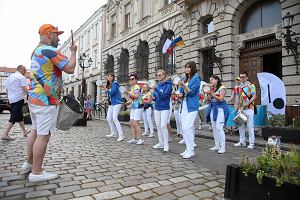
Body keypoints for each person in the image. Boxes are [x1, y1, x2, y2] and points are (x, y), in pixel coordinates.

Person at [22, 24, 77, 182]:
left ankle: (29, 163)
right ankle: (37, 172)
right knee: (43, 135)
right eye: (57, 35)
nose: (59, 38)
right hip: (46, 99)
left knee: (36, 131)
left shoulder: (35, 51)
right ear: (49, 35)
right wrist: (73, 52)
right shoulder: (50, 50)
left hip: (34, 97)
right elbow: (70, 68)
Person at [178, 61, 200, 159]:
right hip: (184, 105)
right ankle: (188, 148)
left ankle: (191, 150)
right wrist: (179, 94)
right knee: (184, 128)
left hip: (192, 106)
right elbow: (182, 93)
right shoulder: (184, 78)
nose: (187, 69)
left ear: (192, 68)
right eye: (186, 67)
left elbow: (192, 92)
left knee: (187, 127)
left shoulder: (196, 78)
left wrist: (183, 85)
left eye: (189, 67)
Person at [1, 65, 30, 141]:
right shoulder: (21, 77)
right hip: (18, 99)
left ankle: (25, 132)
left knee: (19, 116)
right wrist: (31, 95)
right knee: (14, 117)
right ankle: (5, 134)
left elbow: (7, 90)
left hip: (11, 99)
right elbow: (25, 89)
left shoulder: (10, 77)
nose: (25, 72)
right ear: (20, 70)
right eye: (24, 70)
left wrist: (8, 99)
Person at [206, 75, 229, 154]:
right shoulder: (212, 89)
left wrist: (212, 94)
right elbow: (209, 100)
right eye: (210, 80)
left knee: (220, 128)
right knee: (215, 129)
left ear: (217, 80)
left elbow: (221, 99)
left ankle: (223, 147)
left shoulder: (222, 88)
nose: (211, 81)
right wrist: (208, 95)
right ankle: (217, 145)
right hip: (213, 109)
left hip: (220, 109)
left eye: (212, 80)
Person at [234, 71, 257, 149]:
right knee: (241, 125)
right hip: (241, 109)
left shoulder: (251, 85)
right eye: (241, 77)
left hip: (249, 108)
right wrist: (236, 105)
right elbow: (238, 97)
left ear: (247, 77)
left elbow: (254, 96)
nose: (242, 78)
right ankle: (242, 141)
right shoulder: (239, 87)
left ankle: (252, 143)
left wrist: (248, 103)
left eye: (243, 77)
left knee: (250, 126)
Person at [152, 70, 172, 152]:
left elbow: (164, 96)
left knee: (163, 125)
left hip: (165, 108)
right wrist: (151, 97)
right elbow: (155, 96)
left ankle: (166, 144)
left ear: (164, 75)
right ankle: (161, 142)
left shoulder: (168, 85)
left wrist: (156, 89)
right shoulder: (158, 85)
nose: (158, 76)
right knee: (158, 125)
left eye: (160, 75)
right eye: (157, 75)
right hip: (157, 107)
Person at [100, 73, 124, 141]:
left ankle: (121, 135)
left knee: (114, 118)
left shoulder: (115, 84)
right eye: (108, 76)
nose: (109, 77)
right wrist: (105, 99)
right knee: (108, 118)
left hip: (117, 102)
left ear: (113, 77)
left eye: (111, 76)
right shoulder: (110, 85)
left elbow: (112, 93)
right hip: (111, 103)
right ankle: (113, 133)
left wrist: (105, 88)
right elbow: (110, 96)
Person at [126, 73, 144, 145]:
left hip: (138, 106)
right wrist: (128, 102)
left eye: (133, 79)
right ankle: (134, 138)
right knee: (132, 122)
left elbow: (136, 96)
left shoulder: (137, 87)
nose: (131, 80)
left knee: (135, 123)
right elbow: (133, 99)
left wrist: (128, 93)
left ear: (136, 80)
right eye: (130, 79)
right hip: (134, 106)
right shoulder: (133, 87)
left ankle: (140, 139)